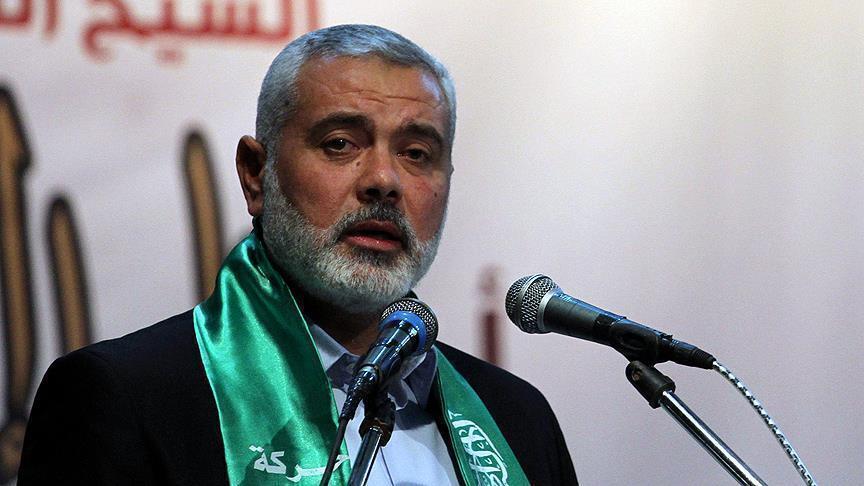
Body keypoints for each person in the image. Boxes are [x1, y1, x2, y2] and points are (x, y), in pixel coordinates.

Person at [18, 24, 577, 485]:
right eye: (340, 144)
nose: (384, 180)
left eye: (415, 153)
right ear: (255, 175)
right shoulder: (126, 398)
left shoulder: (518, 420)